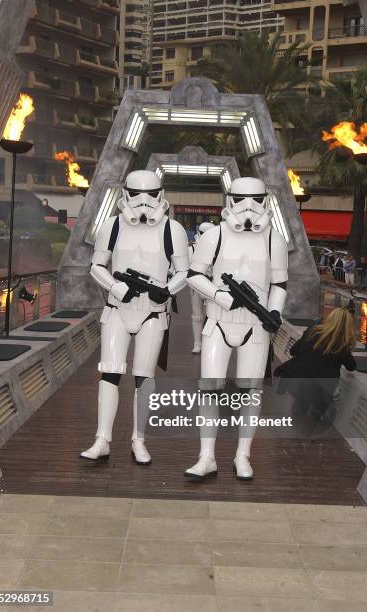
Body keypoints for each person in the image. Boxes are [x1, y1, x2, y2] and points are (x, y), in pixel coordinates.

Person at [80, 170, 189, 463]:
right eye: (137, 194)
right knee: (110, 373)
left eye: (151, 194)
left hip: (152, 314)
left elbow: (184, 273)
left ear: (161, 195)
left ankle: (138, 439)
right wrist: (116, 286)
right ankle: (102, 438)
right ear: (125, 194)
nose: (144, 202)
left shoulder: (172, 230)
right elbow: (96, 265)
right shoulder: (112, 226)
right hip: (117, 309)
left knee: (145, 378)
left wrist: (165, 291)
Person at [185, 177, 288, 480]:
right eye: (242, 199)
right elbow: (193, 274)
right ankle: (206, 456)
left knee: (250, 393)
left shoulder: (274, 239)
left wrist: (273, 312)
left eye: (256, 200)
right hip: (218, 321)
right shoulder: (214, 235)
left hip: (255, 326)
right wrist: (220, 296)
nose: (248, 207)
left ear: (265, 201)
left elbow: (280, 284)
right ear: (230, 200)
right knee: (210, 390)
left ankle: (243, 455)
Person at [276, 307, 356, 422]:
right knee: (330, 380)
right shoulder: (341, 343)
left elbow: (293, 351)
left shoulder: (313, 330)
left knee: (307, 379)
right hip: (322, 390)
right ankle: (319, 410)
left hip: (296, 383)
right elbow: (351, 367)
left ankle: (300, 407)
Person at [189, 222, 215, 353]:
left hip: (212, 285)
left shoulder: (219, 247)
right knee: (197, 316)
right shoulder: (193, 248)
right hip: (196, 285)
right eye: (203, 233)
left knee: (211, 315)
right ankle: (197, 343)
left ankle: (207, 343)